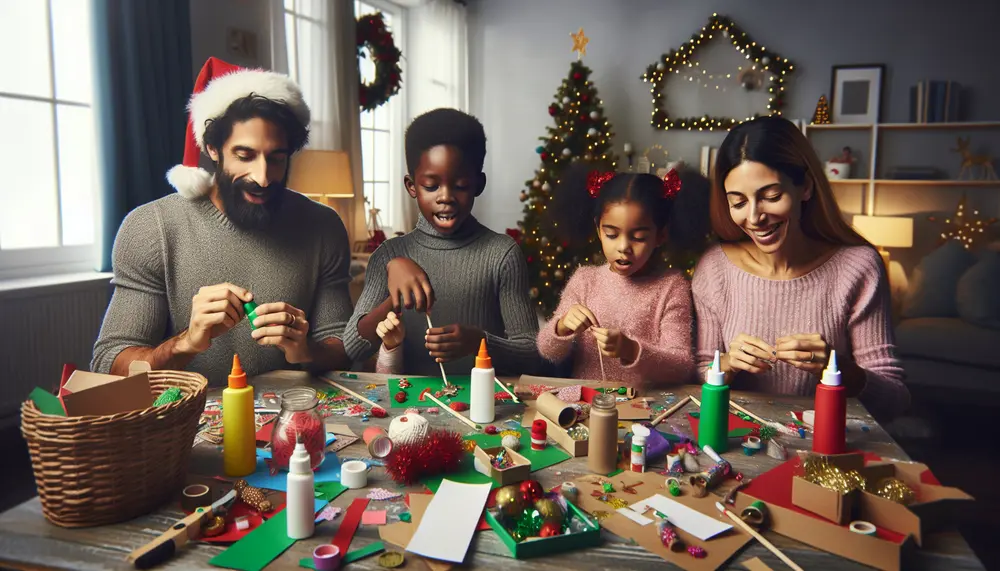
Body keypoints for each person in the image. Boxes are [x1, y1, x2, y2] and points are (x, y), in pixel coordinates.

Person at [91, 57, 354, 384]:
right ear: (213, 148)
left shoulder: (322, 227)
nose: (262, 177)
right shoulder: (152, 228)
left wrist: (307, 350)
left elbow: (344, 346)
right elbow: (108, 363)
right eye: (245, 156)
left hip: (294, 418)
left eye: (276, 158)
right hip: (189, 423)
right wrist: (185, 343)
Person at [692, 116, 909, 419]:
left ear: (805, 187)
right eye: (738, 202)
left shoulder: (858, 267)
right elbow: (700, 375)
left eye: (771, 196)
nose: (754, 217)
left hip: (828, 449)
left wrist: (836, 366)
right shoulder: (715, 268)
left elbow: (894, 400)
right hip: (741, 445)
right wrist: (726, 364)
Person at [343, 108, 539, 376]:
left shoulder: (502, 254)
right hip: (409, 411)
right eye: (431, 186)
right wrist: (393, 291)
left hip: (483, 410)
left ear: (478, 185)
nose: (445, 197)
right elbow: (353, 349)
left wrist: (478, 342)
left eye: (459, 185)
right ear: (412, 186)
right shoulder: (389, 255)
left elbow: (532, 353)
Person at [536, 164, 711, 387]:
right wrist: (561, 327)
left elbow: (681, 367)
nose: (623, 247)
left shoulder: (671, 287)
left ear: (661, 235)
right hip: (586, 405)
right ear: (598, 230)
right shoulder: (585, 280)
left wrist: (631, 349)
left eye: (638, 237)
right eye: (611, 234)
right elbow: (547, 349)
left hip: (644, 410)